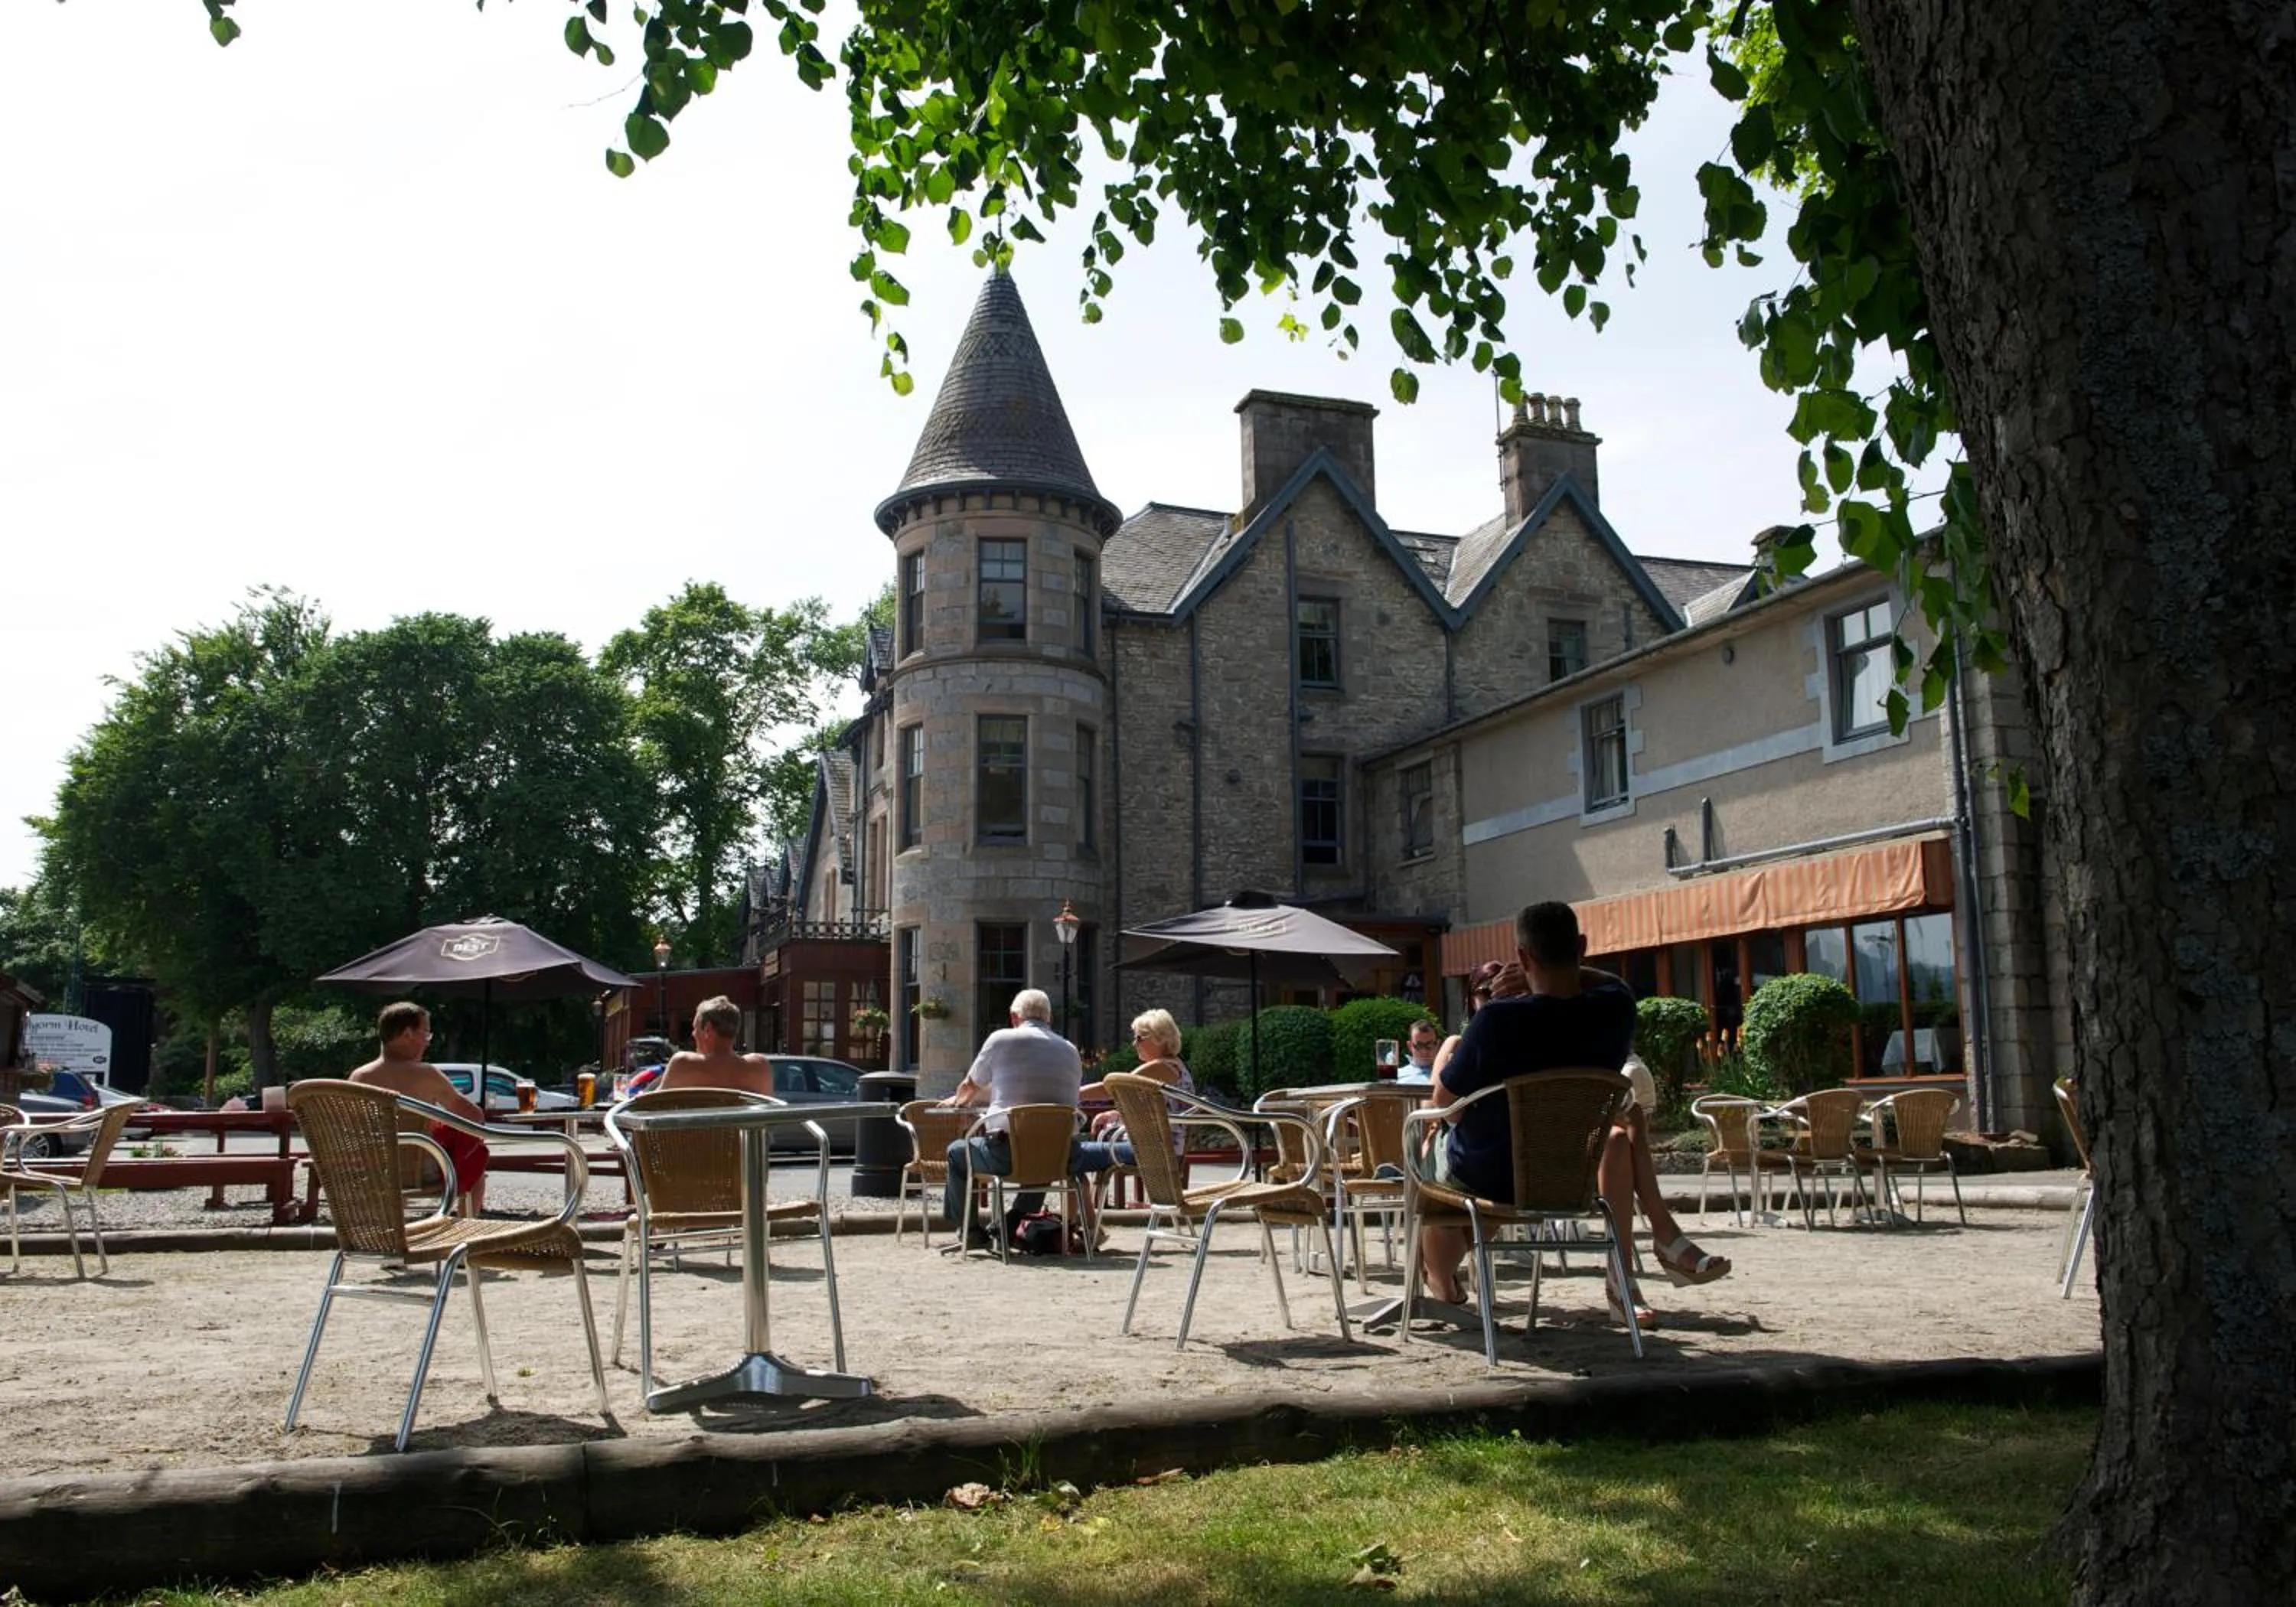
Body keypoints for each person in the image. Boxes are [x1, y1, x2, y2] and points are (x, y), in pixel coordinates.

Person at [1418, 902, 1729, 1323]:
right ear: (1581, 947)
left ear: (1524, 958)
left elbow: (1444, 1105)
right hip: (1568, 1177)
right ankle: (1646, 1257)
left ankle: (1438, 1281)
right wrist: (1552, 976)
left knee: (1437, 1154)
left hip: (1489, 1175)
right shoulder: (1615, 1009)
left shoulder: (1495, 1021)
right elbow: (1616, 983)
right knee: (1617, 1137)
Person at [939, 988, 1083, 1249]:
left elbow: (969, 1086)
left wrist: (958, 1100)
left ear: (1014, 1017)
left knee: (956, 1153)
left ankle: (969, 1230)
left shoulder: (1001, 1039)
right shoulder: (1070, 1050)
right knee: (1043, 1148)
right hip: (1057, 1156)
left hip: (1006, 1153)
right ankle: (1011, 1221)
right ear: (1049, 1020)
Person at [349, 1001, 491, 1215]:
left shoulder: (359, 1077)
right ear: (407, 1034)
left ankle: (392, 1229)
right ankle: (465, 1233)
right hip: (417, 1171)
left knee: (393, 1161)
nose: (427, 1042)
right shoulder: (426, 1075)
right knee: (476, 1170)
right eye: (426, 1033)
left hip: (371, 1169)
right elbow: (474, 1117)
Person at [1073, 1007, 1199, 1172]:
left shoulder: (1160, 1067)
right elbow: (1155, 1111)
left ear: (1159, 1038)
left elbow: (1113, 1087)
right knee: (1077, 1154)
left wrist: (1071, 1092)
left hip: (1150, 1152)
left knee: (1072, 1153)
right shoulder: (1175, 1067)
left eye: (1139, 1038)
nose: (1134, 1044)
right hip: (1160, 1150)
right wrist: (1117, 1114)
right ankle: (1088, 1197)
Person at [655, 996, 774, 1097]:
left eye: (695, 1028)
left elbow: (651, 1107)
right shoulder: (759, 1068)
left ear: (708, 1030)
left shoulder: (683, 1063)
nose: (693, 1034)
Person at [1430, 960, 1507, 1081]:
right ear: (1472, 1001)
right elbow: (1436, 1099)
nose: (1494, 997)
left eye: (1504, 992)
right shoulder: (1456, 1045)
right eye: (1487, 992)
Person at [1394, 1018, 1444, 1084]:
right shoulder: (1396, 1077)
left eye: (1429, 1045)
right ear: (1410, 1046)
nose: (1424, 1051)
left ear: (1437, 1045)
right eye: (1419, 1046)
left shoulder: (1447, 1074)